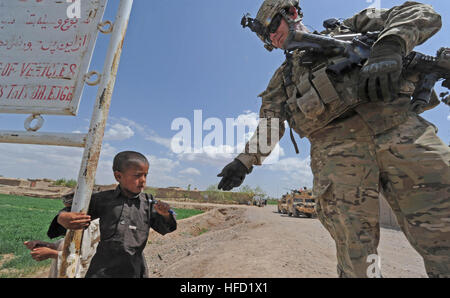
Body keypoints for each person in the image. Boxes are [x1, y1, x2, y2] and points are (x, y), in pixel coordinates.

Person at [218, 0, 450, 277]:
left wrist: (391, 44)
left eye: (271, 27)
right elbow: (269, 125)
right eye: (265, 37)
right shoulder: (283, 78)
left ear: (291, 13)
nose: (271, 38)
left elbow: (422, 12)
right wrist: (243, 162)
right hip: (336, 156)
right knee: (358, 260)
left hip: (403, 131)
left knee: (444, 233)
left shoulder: (351, 28)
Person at [52, 151, 177, 278]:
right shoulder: (104, 199)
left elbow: (165, 228)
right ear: (118, 176)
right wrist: (62, 217)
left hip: (134, 271)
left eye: (145, 175)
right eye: (137, 176)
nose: (143, 181)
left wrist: (165, 215)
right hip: (101, 271)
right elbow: (73, 213)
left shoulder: (148, 203)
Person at [24, 191, 100, 278]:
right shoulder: (75, 224)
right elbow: (68, 244)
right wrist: (46, 245)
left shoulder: (88, 224)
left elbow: (81, 259)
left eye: (69, 210)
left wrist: (51, 254)